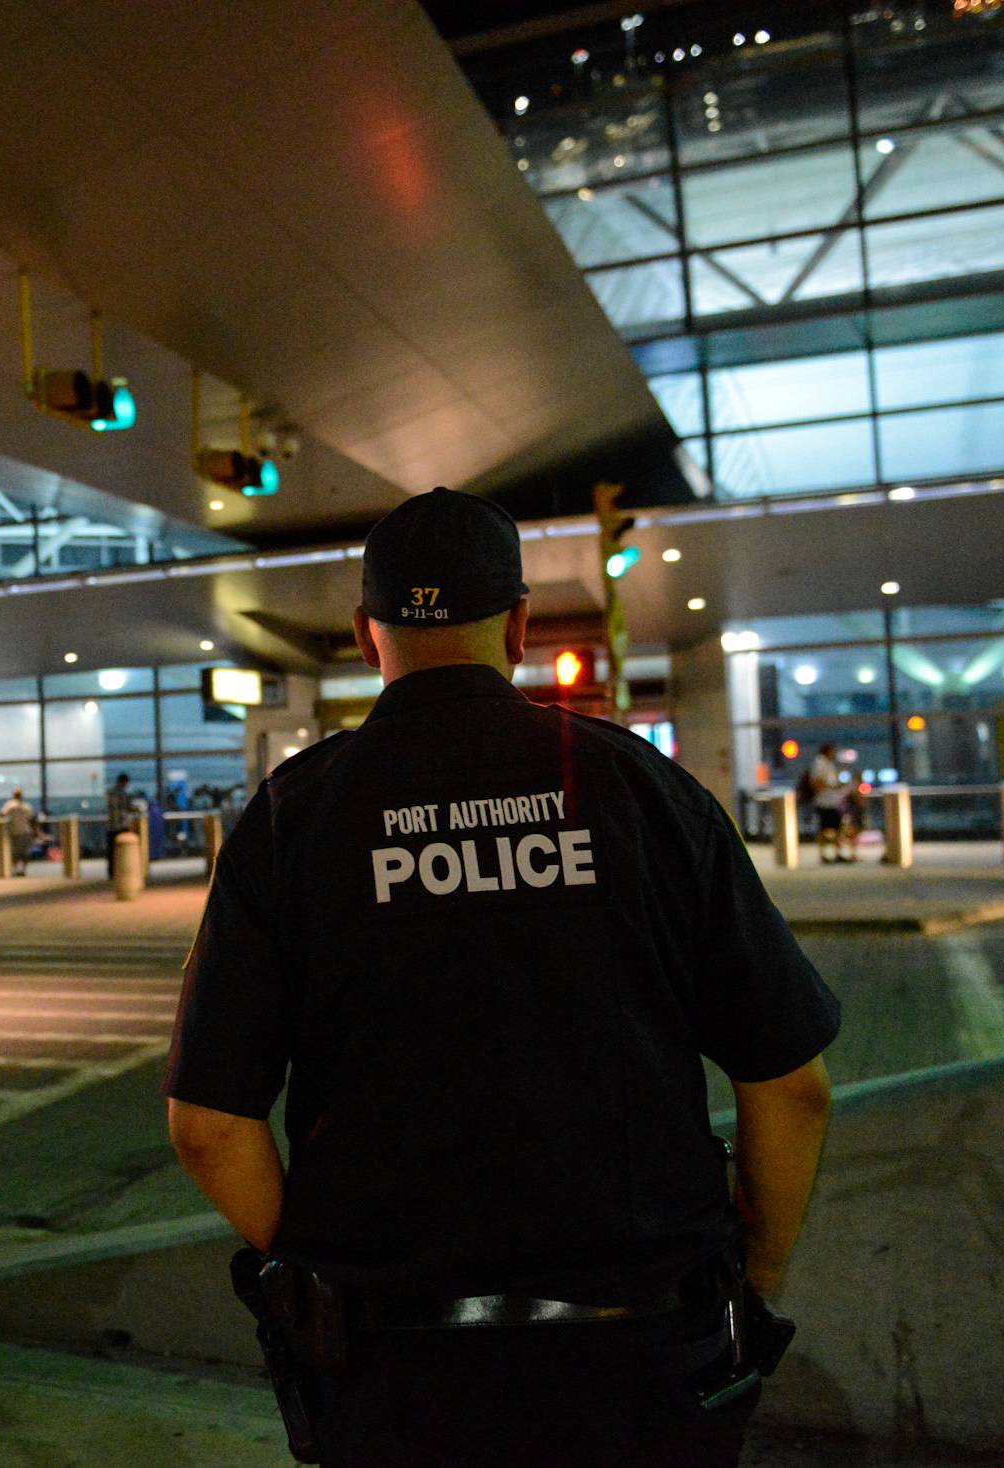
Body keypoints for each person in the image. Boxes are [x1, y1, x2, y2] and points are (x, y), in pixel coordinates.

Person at [163, 487, 840, 1467]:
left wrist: (331, 1275)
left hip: (394, 1372)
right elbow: (793, 1087)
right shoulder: (649, 794)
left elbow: (207, 1125)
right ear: (519, 625)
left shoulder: (289, 820)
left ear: (365, 633)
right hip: (646, 1355)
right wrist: (754, 1275)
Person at [809, 743, 848, 864]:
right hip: (824, 801)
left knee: (835, 827)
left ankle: (835, 852)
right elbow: (816, 782)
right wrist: (832, 786)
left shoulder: (827, 763)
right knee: (825, 828)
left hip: (831, 800)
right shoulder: (820, 763)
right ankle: (825, 853)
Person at [0, 789, 38, 877]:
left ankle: (16, 869)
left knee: (14, 852)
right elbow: (32, 819)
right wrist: (35, 831)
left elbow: (1, 814)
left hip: (13, 831)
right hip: (25, 831)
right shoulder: (26, 806)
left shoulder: (9, 805)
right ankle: (23, 869)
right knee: (25, 852)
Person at [105, 772, 134, 878]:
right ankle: (123, 870)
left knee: (112, 851)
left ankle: (111, 872)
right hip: (121, 825)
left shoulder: (109, 792)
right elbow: (128, 807)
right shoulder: (123, 794)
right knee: (123, 849)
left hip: (111, 825)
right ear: (124, 782)